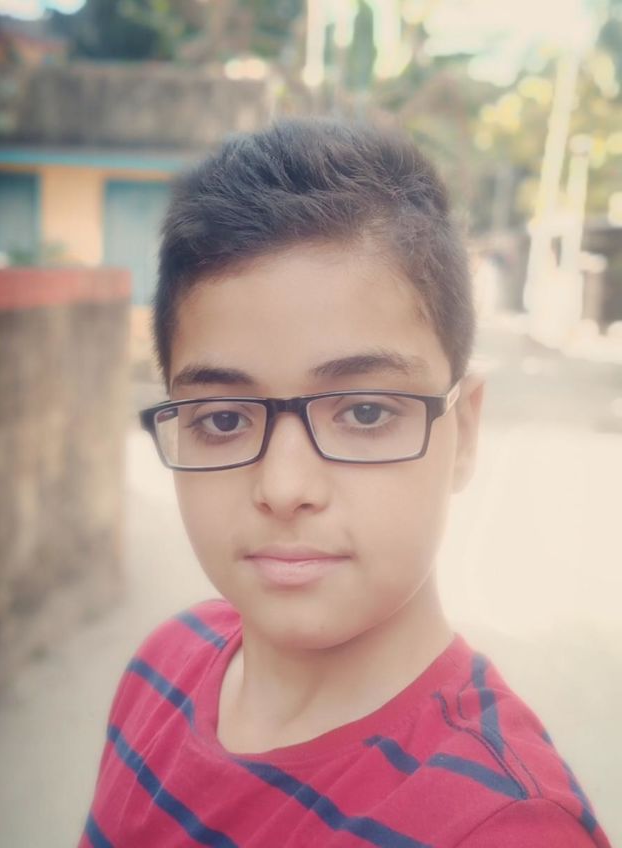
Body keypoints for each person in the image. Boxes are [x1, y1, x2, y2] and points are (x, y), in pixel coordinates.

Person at [80, 119, 611, 848]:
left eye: (365, 412)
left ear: (464, 432)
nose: (283, 486)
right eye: (224, 419)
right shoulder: (162, 668)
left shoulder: (503, 827)